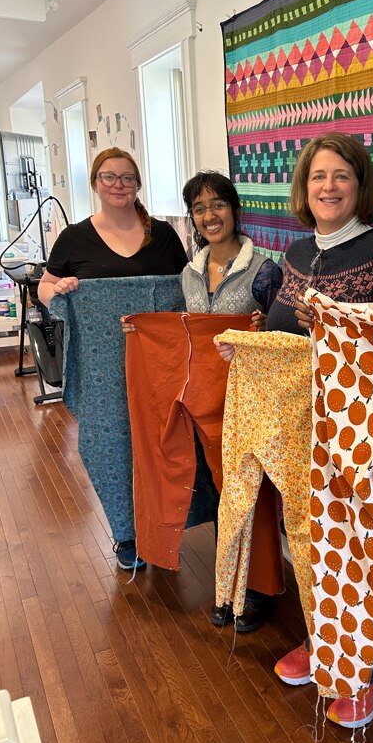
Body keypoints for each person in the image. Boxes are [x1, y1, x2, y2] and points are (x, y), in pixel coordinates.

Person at [218, 132, 373, 729]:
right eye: (318, 177)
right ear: (304, 189)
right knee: (308, 537)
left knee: (359, 544)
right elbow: (279, 326)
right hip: (292, 424)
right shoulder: (296, 254)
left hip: (356, 429)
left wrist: (334, 332)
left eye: (341, 176)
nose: (328, 187)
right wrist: (251, 349)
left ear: (361, 186)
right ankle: (324, 643)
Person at [124, 169, 283, 632]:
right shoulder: (190, 272)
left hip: (250, 400)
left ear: (234, 209)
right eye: (199, 208)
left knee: (251, 493)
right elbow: (187, 331)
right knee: (221, 495)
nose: (209, 215)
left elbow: (279, 336)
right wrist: (142, 333)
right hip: (206, 403)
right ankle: (229, 582)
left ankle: (259, 589)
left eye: (217, 205)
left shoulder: (265, 269)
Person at [38, 147, 188, 571]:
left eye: (126, 178)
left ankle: (170, 522)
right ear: (95, 183)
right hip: (104, 368)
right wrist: (60, 291)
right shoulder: (74, 237)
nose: (118, 185)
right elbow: (45, 289)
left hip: (161, 361)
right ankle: (126, 531)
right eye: (109, 177)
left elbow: (186, 289)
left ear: (138, 184)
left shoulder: (162, 235)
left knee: (165, 436)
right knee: (110, 441)